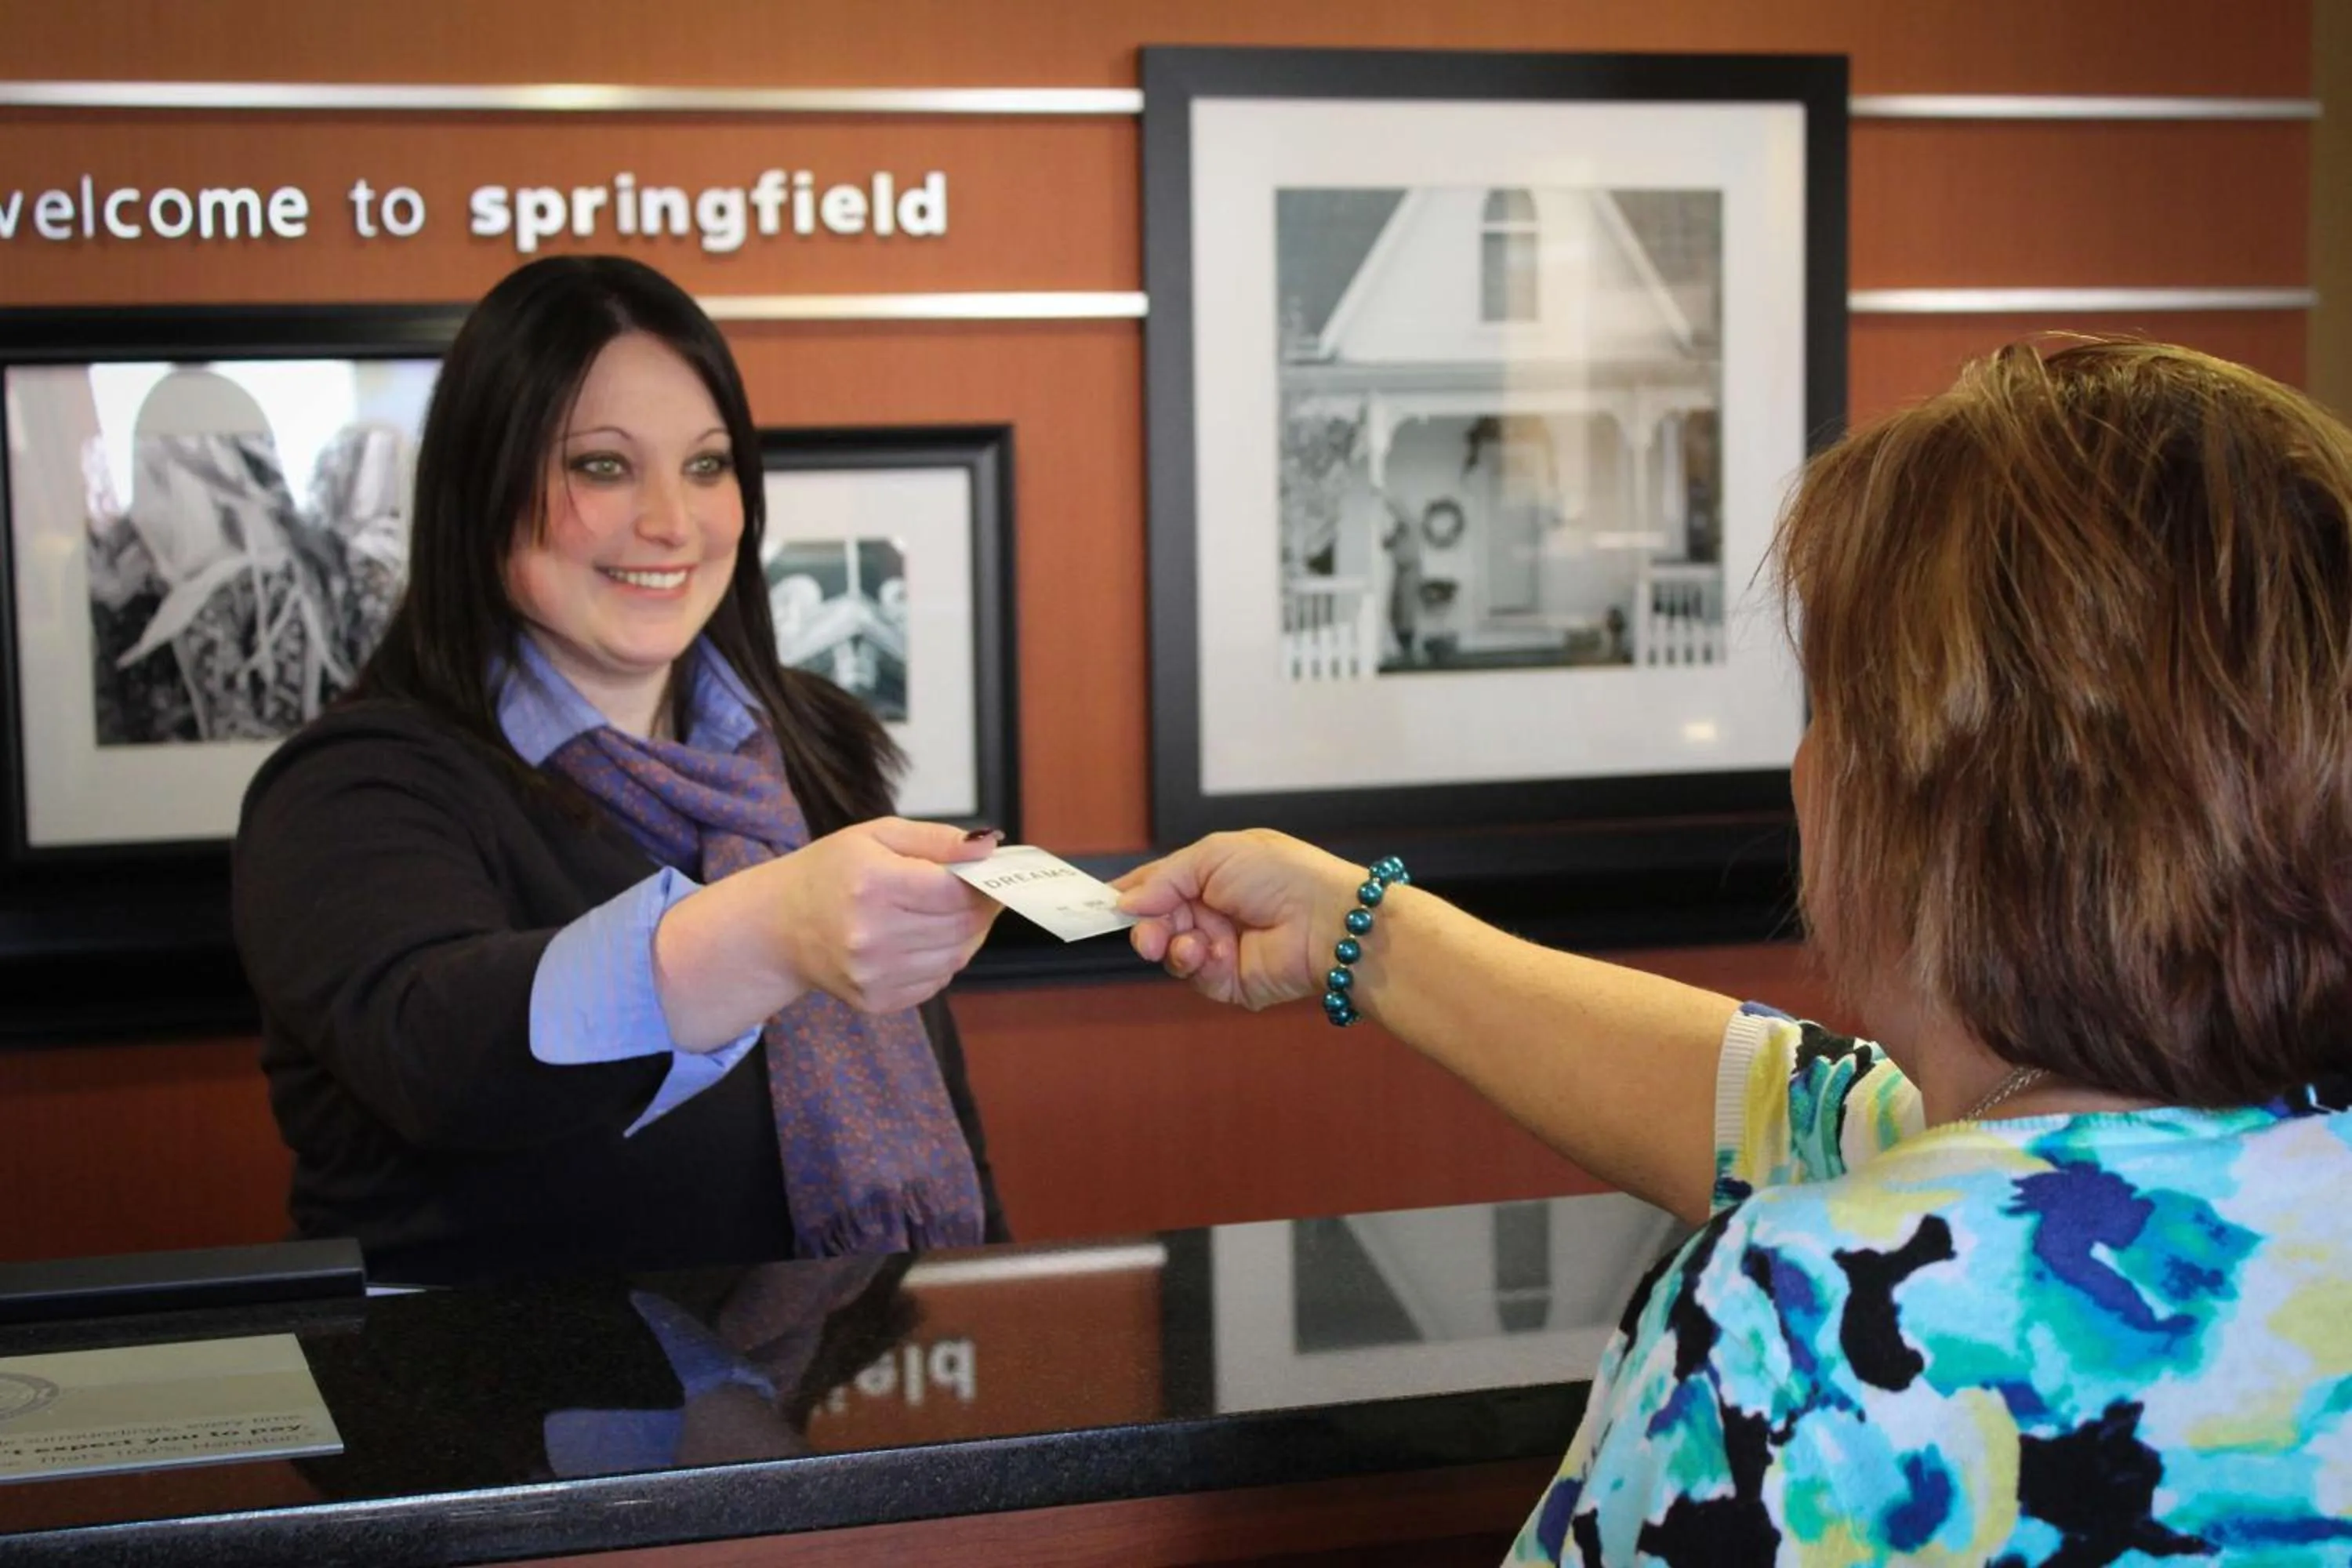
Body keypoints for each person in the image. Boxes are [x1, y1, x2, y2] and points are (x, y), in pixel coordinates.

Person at [1116, 340, 2352, 1562]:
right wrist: (1356, 930)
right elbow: (1800, 1106)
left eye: (1826, 706)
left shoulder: (1797, 1329)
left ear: (1918, 798)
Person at [233, 256, 1006, 1287]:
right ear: (483, 483)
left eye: (705, 466)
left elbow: (946, 1123)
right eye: (602, 466)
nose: (673, 524)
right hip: (483, 1424)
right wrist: (773, 932)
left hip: (828, 1407)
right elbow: (443, 1056)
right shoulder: (352, 788)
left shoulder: (809, 748)